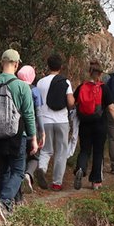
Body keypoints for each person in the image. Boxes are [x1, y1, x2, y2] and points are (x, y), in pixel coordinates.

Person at [0, 50, 38, 220]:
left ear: (1, 63)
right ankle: (4, 202)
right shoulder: (22, 86)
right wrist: (33, 138)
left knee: (3, 171)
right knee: (18, 171)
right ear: (16, 64)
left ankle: (4, 211)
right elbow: (28, 115)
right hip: (16, 135)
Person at [72, 61, 114, 190]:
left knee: (84, 150)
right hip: (100, 125)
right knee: (98, 152)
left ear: (89, 72)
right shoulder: (104, 88)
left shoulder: (81, 87)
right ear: (100, 74)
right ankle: (96, 181)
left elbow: (73, 103)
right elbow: (111, 108)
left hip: (84, 124)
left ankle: (80, 168)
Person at [34, 55, 74, 190]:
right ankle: (57, 183)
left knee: (46, 149)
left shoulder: (40, 82)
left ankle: (42, 168)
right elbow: (70, 102)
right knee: (61, 152)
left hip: (44, 121)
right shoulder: (65, 81)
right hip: (61, 120)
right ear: (61, 67)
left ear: (48, 66)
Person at [16, 65, 44, 200]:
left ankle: (18, 197)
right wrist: (42, 132)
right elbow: (39, 113)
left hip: (17, 131)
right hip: (32, 130)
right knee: (35, 157)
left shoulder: (15, 88)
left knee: (19, 161)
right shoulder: (35, 91)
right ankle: (28, 174)